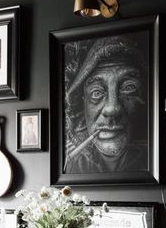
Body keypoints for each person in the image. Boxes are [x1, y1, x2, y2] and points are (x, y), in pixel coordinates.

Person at [63, 35, 148, 174]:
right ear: (82, 102)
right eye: (96, 93)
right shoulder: (69, 162)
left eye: (128, 88)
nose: (112, 109)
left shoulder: (155, 154)